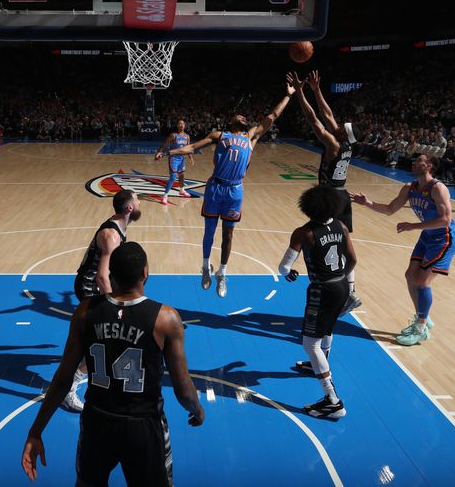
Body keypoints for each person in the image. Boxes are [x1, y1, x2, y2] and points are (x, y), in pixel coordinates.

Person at [21, 242, 204, 485]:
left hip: (97, 422)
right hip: (144, 426)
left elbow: (64, 379)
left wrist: (36, 431)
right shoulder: (166, 319)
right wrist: (196, 409)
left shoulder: (85, 311)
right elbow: (183, 388)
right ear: (145, 273)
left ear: (110, 275)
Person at [165, 84, 295, 297]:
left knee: (228, 233)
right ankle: (206, 266)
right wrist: (170, 153)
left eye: (245, 117)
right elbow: (192, 147)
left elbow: (273, 115)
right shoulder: (220, 135)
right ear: (231, 121)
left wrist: (288, 95)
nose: (244, 118)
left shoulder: (251, 138)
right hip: (216, 187)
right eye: (240, 116)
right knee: (209, 231)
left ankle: (222, 273)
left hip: (235, 191)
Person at [350, 154, 455, 346]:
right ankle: (423, 316)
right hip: (427, 236)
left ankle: (420, 327)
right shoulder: (410, 188)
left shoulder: (437, 188)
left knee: (422, 280)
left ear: (430, 166)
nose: (414, 162)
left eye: (419, 160)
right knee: (410, 276)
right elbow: (390, 209)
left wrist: (413, 226)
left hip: (444, 239)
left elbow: (445, 220)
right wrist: (366, 203)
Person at [278, 185, 356, 418]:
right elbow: (352, 260)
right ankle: (319, 365)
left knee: (310, 344)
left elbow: (284, 267)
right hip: (341, 284)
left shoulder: (304, 232)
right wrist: (346, 282)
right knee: (328, 327)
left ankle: (332, 401)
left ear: (308, 207)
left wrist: (288, 274)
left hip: (322, 289)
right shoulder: (341, 226)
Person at [288, 71, 362, 314]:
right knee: (344, 241)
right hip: (342, 195)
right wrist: (317, 88)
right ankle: (351, 291)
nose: (338, 124)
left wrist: (300, 92)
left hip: (331, 196)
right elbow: (328, 115)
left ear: (341, 133)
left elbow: (314, 119)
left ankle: (345, 291)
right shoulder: (347, 143)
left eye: (342, 127)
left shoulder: (333, 144)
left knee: (332, 243)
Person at [64, 190, 143, 412]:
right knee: (106, 339)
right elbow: (101, 275)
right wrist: (116, 305)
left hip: (95, 285)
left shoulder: (119, 227)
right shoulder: (112, 235)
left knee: (102, 339)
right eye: (137, 201)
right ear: (129, 208)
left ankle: (81, 367)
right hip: (90, 286)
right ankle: (69, 388)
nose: (139, 203)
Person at [154, 119, 194, 205]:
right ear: (177, 126)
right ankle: (165, 195)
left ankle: (182, 190)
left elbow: (188, 148)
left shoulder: (187, 136)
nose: (181, 125)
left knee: (182, 175)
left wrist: (190, 156)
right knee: (173, 176)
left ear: (185, 125)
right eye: (179, 124)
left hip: (181, 158)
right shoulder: (173, 135)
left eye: (183, 123)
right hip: (173, 158)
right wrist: (159, 152)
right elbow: (164, 144)